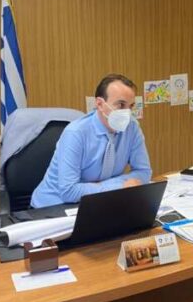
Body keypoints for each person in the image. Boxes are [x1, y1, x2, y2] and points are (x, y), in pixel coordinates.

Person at [31, 74, 152, 208]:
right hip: (54, 207)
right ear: (100, 104)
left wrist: (102, 187)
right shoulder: (75, 133)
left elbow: (144, 172)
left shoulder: (132, 128)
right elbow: (69, 191)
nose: (127, 113)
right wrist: (120, 185)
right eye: (121, 105)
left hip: (97, 201)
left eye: (131, 106)